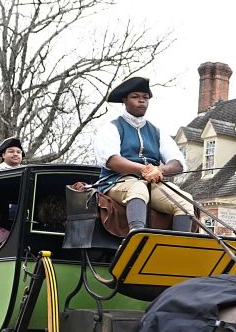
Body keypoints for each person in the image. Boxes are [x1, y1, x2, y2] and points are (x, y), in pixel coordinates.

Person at [78, 77, 194, 233]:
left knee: (185, 201)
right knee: (138, 188)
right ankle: (136, 239)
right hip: (117, 182)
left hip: (152, 184)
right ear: (124, 100)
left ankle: (180, 249)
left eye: (145, 98)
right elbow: (112, 160)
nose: (142, 101)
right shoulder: (111, 128)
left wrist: (160, 171)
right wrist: (145, 170)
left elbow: (178, 162)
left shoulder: (157, 132)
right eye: (135, 97)